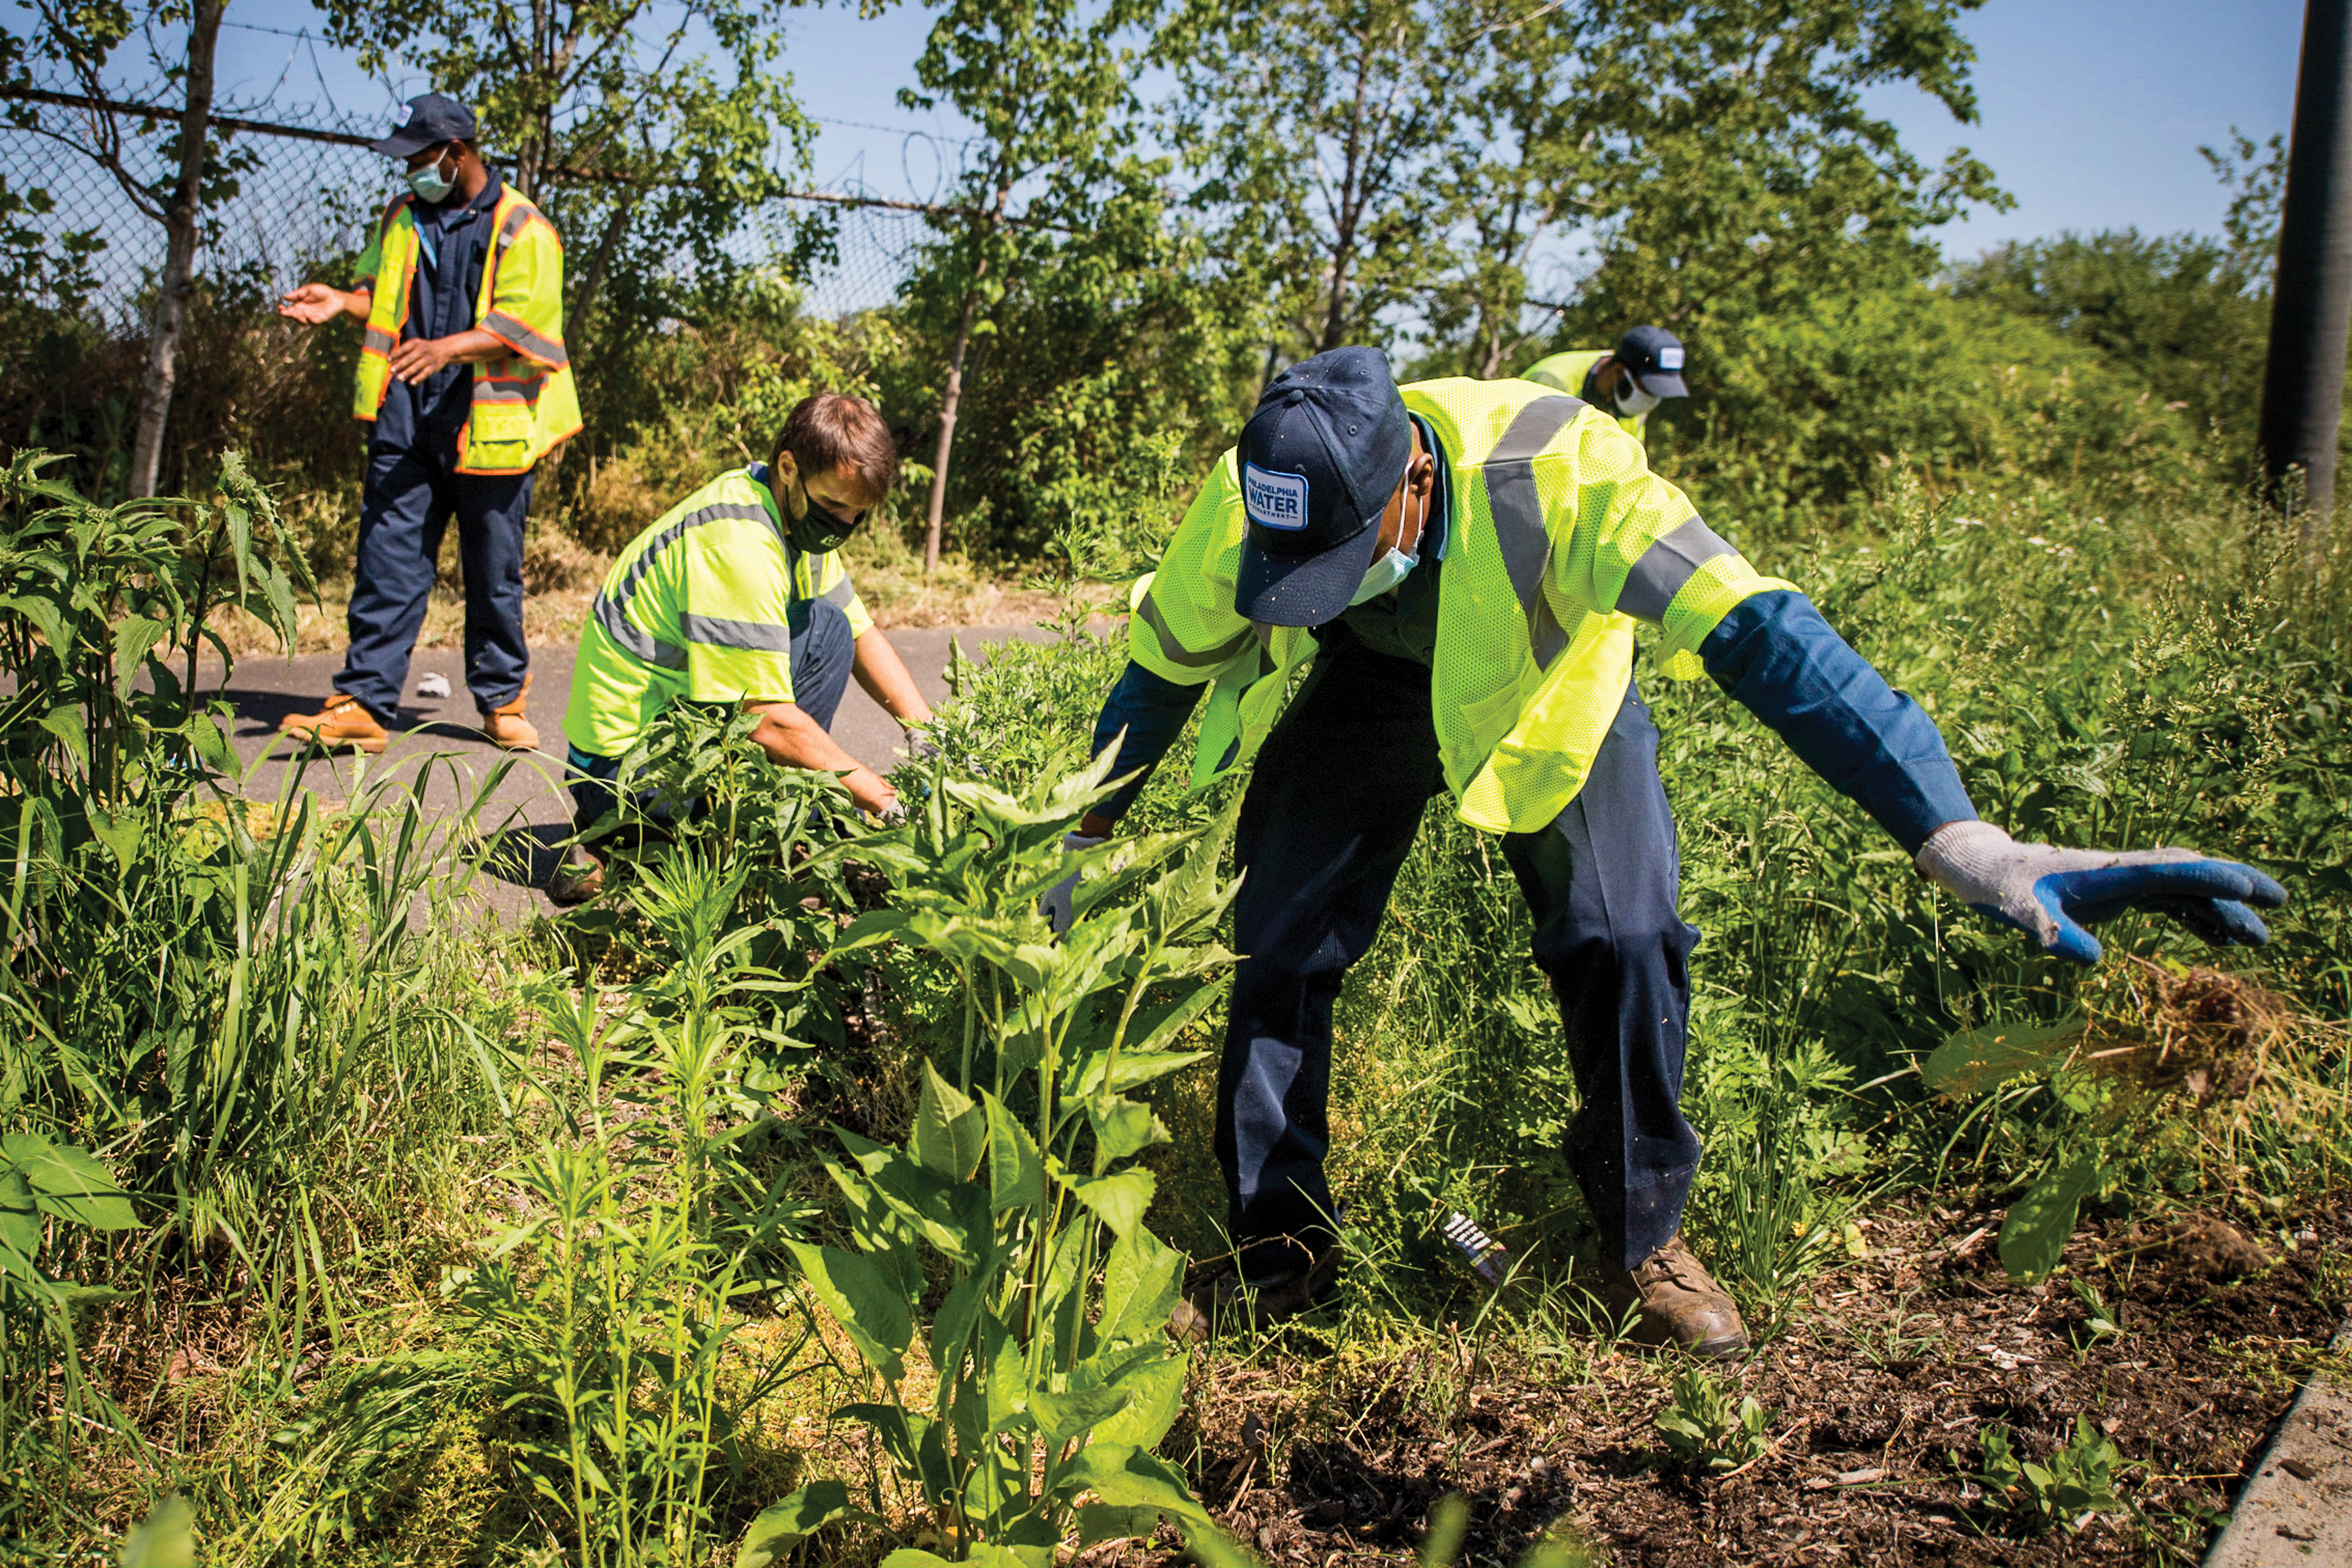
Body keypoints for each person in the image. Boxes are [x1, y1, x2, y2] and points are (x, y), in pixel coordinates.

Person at [1046, 348, 2285, 1357]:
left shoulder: (1566, 472)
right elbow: (1156, 679)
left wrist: (1952, 831)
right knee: (1274, 943)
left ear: (1411, 482)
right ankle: (1281, 1250)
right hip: (1372, 688)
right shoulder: (1264, 483)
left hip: (1554, 693)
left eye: (1334, 559)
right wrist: (1075, 836)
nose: (1303, 579)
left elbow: (1763, 634)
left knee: (1625, 937)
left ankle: (1643, 1238)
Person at [275, 92, 580, 755]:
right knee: (387, 563)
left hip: (490, 431)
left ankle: (502, 703)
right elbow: (376, 295)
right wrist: (339, 303)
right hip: (405, 418)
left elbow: (525, 328)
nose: (410, 169)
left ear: (457, 153)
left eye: (419, 157)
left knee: (493, 572)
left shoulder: (523, 228)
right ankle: (363, 702)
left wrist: (447, 348)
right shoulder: (403, 217)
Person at [549, 393, 935, 904]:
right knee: (820, 794)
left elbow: (861, 632)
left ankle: (731, 827)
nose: (843, 524)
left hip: (673, 737)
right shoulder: (738, 544)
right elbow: (766, 718)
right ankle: (634, 840)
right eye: (834, 506)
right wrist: (885, 801)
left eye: (857, 513)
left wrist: (928, 734)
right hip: (625, 772)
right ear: (789, 468)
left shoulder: (790, 520)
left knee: (830, 628)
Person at [1522, 325, 1688, 441]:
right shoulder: (1551, 381)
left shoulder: (1634, 409)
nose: (1649, 400)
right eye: (1647, 390)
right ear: (1618, 371)